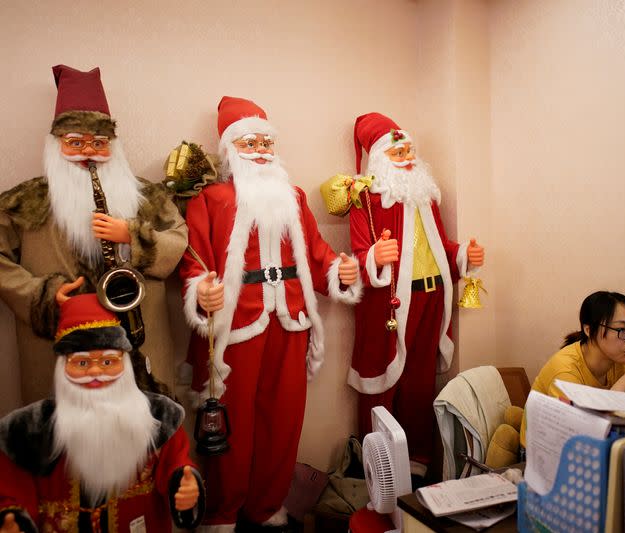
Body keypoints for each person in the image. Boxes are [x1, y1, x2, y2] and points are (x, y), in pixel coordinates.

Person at [180, 96, 362, 532]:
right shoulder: (211, 198)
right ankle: (223, 512)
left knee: (283, 421)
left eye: (266, 141)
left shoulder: (294, 197)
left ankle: (266, 506)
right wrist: (200, 288)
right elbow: (194, 259)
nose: (261, 149)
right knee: (230, 423)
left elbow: (316, 254)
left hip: (292, 319)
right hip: (235, 327)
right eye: (250, 142)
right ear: (229, 148)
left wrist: (341, 269)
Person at [0, 65, 188, 402]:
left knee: (145, 430)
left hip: (137, 331)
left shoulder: (149, 197)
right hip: (61, 337)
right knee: (64, 438)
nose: (89, 151)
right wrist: (40, 296)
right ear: (55, 145)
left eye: (99, 143)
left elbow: (178, 238)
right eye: (75, 142)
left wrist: (132, 235)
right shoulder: (24, 201)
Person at [346, 112, 485, 480]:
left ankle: (417, 466)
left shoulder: (425, 196)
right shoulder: (365, 200)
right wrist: (375, 257)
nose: (407, 156)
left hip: (432, 297)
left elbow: (437, 245)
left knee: (421, 382)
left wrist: (461, 256)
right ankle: (377, 472)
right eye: (397, 152)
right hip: (388, 302)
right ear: (378, 159)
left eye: (408, 149)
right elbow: (359, 256)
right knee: (380, 381)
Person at [0, 293, 204, 532]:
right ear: (63, 367)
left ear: (125, 364)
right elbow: (12, 489)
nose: (95, 372)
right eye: (82, 363)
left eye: (108, 362)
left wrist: (184, 484)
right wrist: (13, 516)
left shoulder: (160, 417)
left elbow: (177, 466)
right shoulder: (26, 430)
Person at [520, 290, 625, 444]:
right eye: (622, 330)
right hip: (540, 453)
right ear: (588, 330)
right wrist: (622, 386)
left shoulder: (617, 361)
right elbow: (574, 434)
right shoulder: (565, 369)